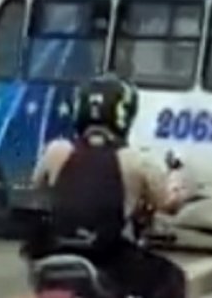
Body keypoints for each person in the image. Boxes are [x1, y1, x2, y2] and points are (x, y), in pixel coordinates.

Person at [24, 76, 188, 298]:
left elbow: (36, 188)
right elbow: (169, 204)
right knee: (172, 279)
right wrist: (177, 181)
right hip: (107, 256)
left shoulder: (56, 151)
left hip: (53, 252)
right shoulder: (136, 160)